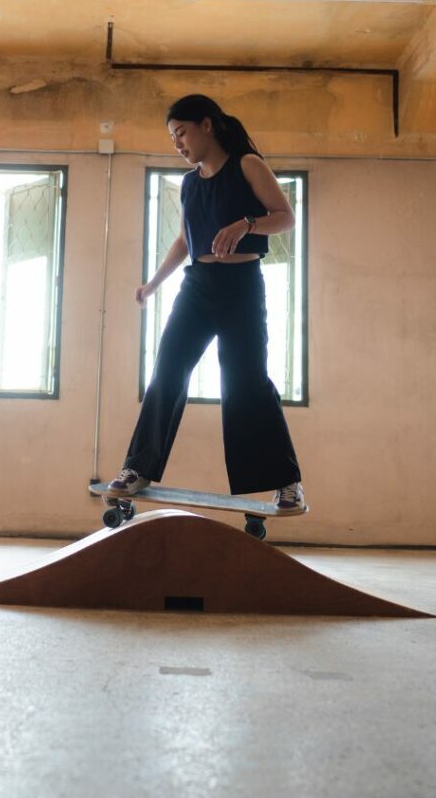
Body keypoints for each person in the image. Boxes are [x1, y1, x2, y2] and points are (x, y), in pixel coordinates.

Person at [107, 94, 305, 513]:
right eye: (172, 138)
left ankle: (286, 484)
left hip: (242, 286)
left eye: (181, 133)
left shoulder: (247, 164)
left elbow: (286, 217)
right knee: (168, 370)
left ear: (207, 125)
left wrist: (246, 223)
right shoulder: (190, 183)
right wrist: (152, 284)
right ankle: (136, 468)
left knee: (246, 381)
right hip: (197, 286)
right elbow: (185, 240)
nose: (177, 144)